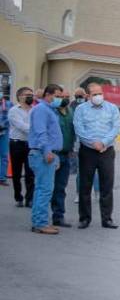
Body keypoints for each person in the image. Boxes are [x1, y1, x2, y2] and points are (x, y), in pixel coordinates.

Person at [73, 81, 120, 229]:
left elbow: (116, 127)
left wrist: (104, 142)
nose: (98, 96)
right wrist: (93, 143)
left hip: (106, 151)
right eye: (95, 94)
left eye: (100, 93)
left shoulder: (112, 108)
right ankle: (84, 218)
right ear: (88, 96)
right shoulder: (81, 109)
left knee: (107, 185)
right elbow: (79, 128)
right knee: (85, 186)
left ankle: (107, 219)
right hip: (88, 151)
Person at [27, 84, 64, 235]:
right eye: (57, 96)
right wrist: (48, 152)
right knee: (45, 190)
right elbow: (41, 132)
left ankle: (38, 221)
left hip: (47, 154)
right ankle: (40, 223)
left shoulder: (49, 110)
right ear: (48, 95)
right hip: (42, 154)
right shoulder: (42, 110)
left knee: (41, 189)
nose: (60, 99)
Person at [50, 93, 76, 227]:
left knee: (61, 187)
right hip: (53, 154)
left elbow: (73, 131)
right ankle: (40, 217)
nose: (65, 98)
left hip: (66, 154)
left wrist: (72, 149)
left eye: (67, 95)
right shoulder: (51, 111)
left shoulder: (70, 111)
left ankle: (58, 216)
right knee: (47, 187)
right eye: (61, 96)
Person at [7, 86, 35, 207]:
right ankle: (18, 196)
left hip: (30, 145)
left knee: (30, 173)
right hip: (17, 144)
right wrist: (36, 130)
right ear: (20, 96)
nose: (30, 97)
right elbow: (21, 126)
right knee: (17, 173)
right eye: (27, 94)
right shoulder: (13, 111)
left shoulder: (35, 110)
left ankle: (29, 198)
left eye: (31, 94)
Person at [0, 92, 10, 187]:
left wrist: (3, 125)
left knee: (3, 156)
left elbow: (10, 116)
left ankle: (2, 178)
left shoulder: (7, 104)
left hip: (4, 132)